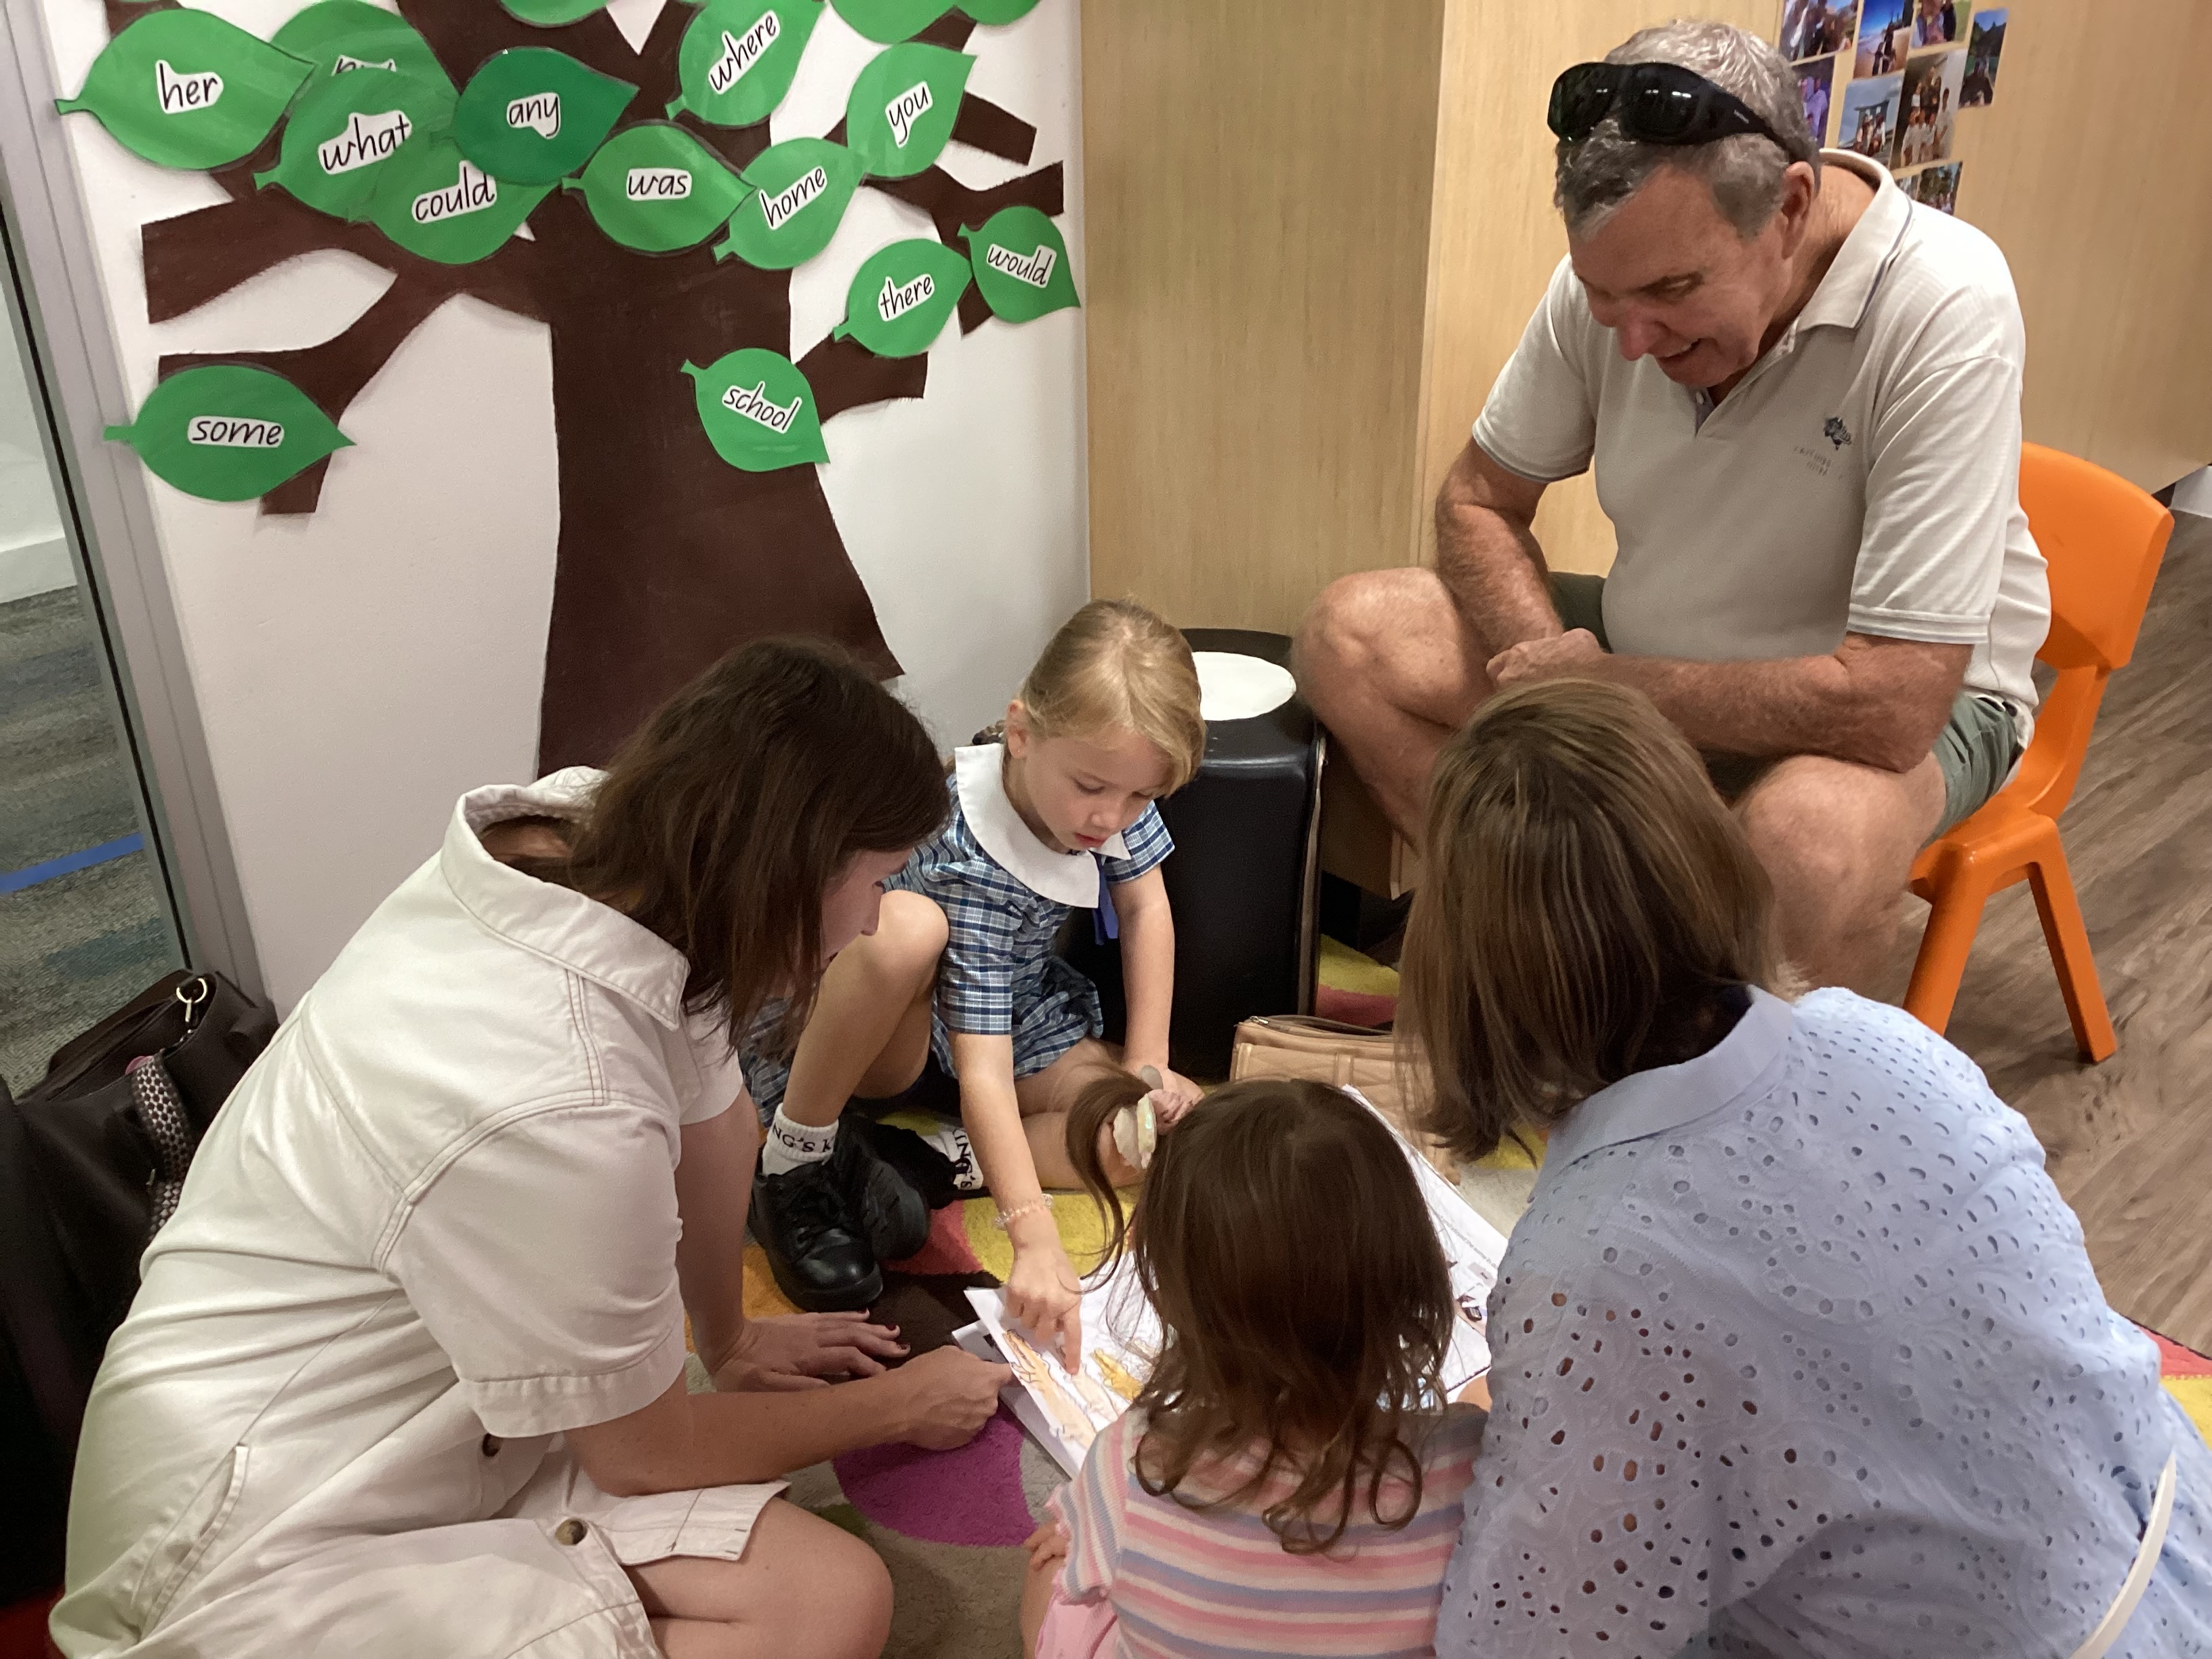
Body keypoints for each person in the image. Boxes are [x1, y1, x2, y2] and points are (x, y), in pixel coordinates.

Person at [53, 641, 1015, 1659]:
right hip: (240, 1542)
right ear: (785, 868)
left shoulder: (604, 840)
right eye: (875, 882)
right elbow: (646, 1455)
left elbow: (719, 1124)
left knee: (827, 1595)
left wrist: (728, 1341)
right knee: (818, 1610)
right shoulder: (567, 1102)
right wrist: (895, 1406)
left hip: (429, 1418)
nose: (872, 923)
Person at [1397, 678, 2212, 1657]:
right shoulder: (1876, 1035)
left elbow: (1527, 1638)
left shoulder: (1595, 1268)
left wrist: (1509, 1427)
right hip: (2171, 1545)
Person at [1297, 20, 2049, 992]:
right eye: (1604, 298)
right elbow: (1479, 500)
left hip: (1901, 700)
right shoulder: (1622, 282)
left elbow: (1894, 704)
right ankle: (1557, 959)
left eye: (1674, 291)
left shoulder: (1945, 303)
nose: (1634, 340)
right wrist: (1563, 684)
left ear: (1790, 207)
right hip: (1641, 654)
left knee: (1810, 841)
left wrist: (1607, 689)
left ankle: (1738, 1075)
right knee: (1351, 636)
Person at [744, 599, 1206, 1359]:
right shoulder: (971, 860)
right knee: (908, 931)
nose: (1111, 818)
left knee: (1136, 1141)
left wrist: (1146, 1068)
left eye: (1140, 797)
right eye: (1093, 788)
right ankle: (794, 1159)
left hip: (1010, 1009)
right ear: (1020, 733)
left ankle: (927, 1159)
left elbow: (1145, 905)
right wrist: (1033, 1234)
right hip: (892, 1031)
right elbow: (982, 1068)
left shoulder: (1111, 792)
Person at [1018, 1076, 1489, 1659]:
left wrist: (1078, 1539)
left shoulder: (1131, 1464)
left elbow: (1083, 1558)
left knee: (1051, 1569)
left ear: (1169, 1301)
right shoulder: (1467, 1464)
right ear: (1416, 1279)